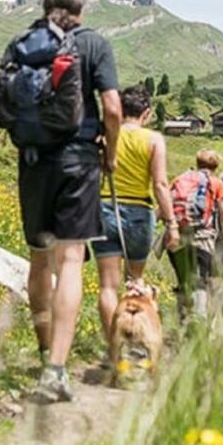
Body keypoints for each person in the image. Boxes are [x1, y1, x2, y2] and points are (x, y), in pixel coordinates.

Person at [0, 0, 121, 403]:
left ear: (45, 7)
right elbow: (113, 109)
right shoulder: (94, 45)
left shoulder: (21, 43)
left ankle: (45, 351)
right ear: (82, 10)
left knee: (40, 260)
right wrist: (110, 154)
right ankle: (57, 371)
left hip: (32, 163)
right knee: (71, 260)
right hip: (78, 162)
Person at [92, 85, 177, 356]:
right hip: (140, 214)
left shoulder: (107, 136)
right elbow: (161, 184)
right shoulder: (154, 140)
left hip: (106, 208)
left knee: (108, 286)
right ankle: (137, 342)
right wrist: (172, 224)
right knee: (136, 281)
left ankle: (114, 349)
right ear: (147, 113)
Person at [168, 150, 223, 320]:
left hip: (176, 238)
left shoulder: (179, 180)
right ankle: (198, 322)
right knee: (201, 282)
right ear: (216, 166)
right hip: (202, 240)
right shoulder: (217, 184)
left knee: (183, 282)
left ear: (197, 163)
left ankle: (182, 321)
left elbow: (164, 207)